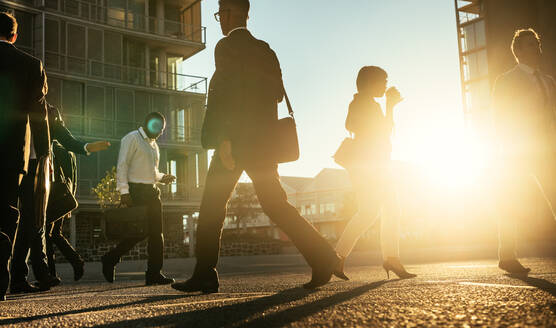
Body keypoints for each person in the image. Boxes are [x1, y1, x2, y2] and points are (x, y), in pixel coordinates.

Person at [171, 0, 341, 293]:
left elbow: (226, 95)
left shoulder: (226, 46)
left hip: (235, 145)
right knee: (276, 205)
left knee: (212, 207)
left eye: (221, 13)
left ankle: (205, 274)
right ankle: (325, 257)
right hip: (263, 144)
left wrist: (223, 140)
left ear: (233, 13)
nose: (219, 20)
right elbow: (276, 94)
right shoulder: (266, 50)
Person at [333, 66, 416, 280]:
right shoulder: (360, 102)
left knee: (386, 210)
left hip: (376, 165)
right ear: (370, 83)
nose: (386, 85)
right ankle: (340, 257)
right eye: (383, 81)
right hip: (369, 167)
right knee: (372, 212)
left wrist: (389, 106)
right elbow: (356, 126)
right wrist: (389, 107)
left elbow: (384, 131)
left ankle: (389, 258)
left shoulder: (369, 104)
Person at [492, 28, 556, 275]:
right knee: (511, 201)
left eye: (537, 44)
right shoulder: (506, 80)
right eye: (530, 45)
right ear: (517, 51)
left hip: (546, 148)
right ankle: (507, 255)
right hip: (516, 150)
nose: (536, 48)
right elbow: (500, 116)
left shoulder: (549, 81)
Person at [0, 11, 51, 299]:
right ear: (15, 36)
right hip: (12, 154)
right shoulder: (31, 65)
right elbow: (39, 113)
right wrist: (44, 154)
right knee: (7, 212)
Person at [101, 112, 175, 285]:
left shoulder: (154, 146)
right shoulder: (131, 138)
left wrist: (162, 177)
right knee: (138, 233)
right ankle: (110, 258)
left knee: (157, 234)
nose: (159, 132)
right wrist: (124, 192)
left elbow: (151, 172)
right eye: (156, 127)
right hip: (136, 192)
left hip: (152, 192)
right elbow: (122, 165)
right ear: (147, 123)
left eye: (162, 129)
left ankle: (154, 274)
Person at [44, 103, 110, 281]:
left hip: (57, 196)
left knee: (47, 233)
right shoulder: (61, 149)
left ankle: (51, 273)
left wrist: (68, 201)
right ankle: (70, 265)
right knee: (52, 234)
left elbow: (70, 177)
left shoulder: (60, 150)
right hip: (60, 196)